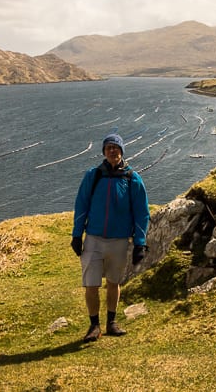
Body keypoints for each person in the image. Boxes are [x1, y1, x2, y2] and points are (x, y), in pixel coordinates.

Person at [71, 133, 150, 342]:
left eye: (116, 147)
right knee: (91, 284)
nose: (112, 151)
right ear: (104, 152)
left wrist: (140, 243)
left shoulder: (132, 178)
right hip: (94, 239)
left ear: (122, 151)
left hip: (120, 240)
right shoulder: (93, 175)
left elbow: (142, 213)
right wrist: (77, 235)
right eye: (108, 148)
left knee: (114, 282)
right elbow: (81, 205)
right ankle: (94, 325)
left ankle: (111, 322)